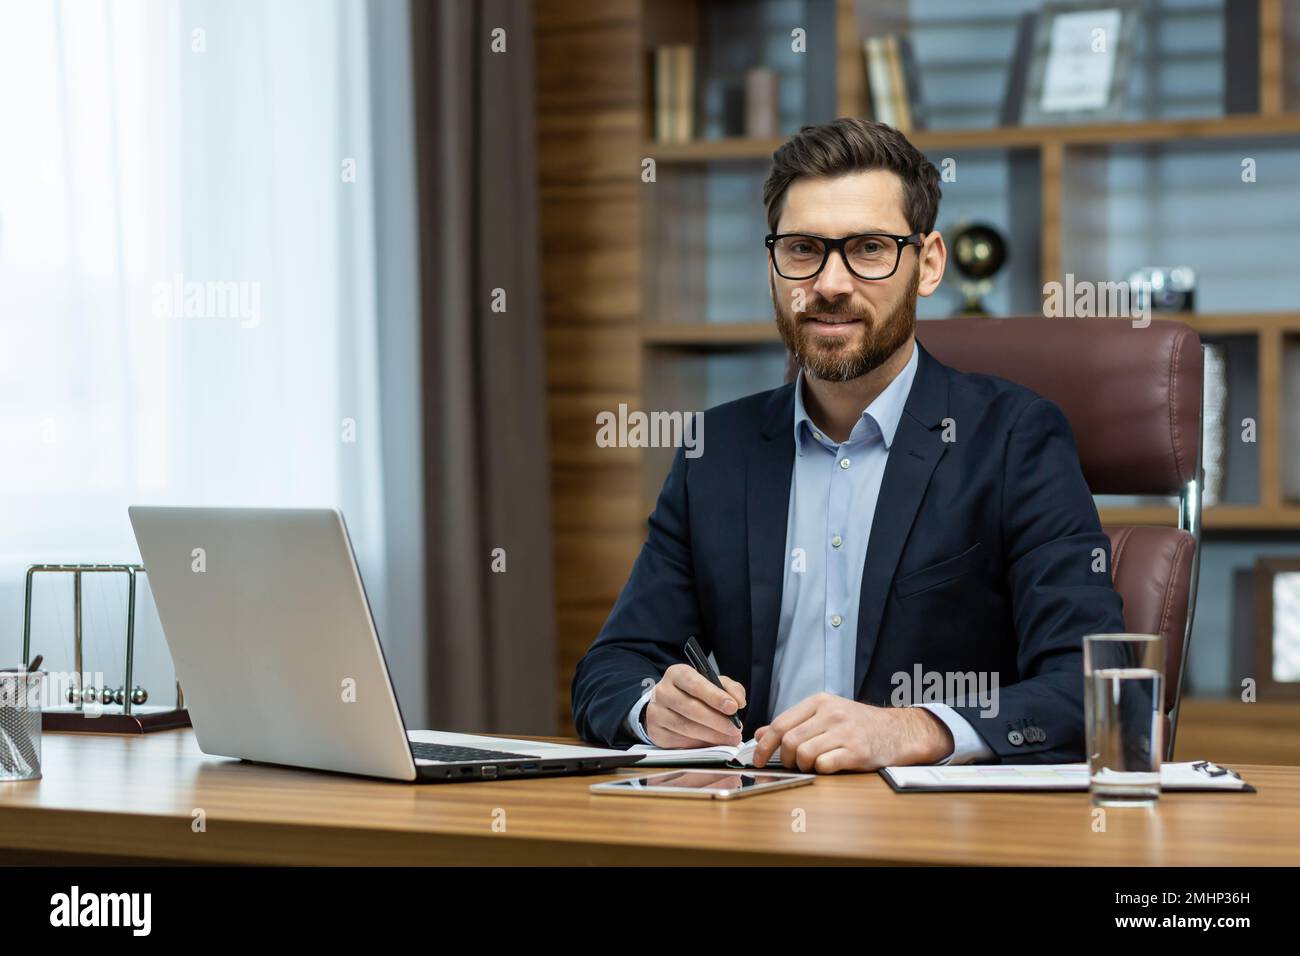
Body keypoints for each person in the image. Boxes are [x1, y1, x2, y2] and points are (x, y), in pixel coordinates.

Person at [571, 117, 1125, 772]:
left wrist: (915, 730)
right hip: (748, 821)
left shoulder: (1015, 439)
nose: (830, 284)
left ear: (929, 264)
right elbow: (610, 668)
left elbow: (1096, 682)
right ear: (773, 264)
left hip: (936, 833)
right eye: (803, 249)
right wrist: (652, 708)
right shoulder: (715, 450)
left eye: (868, 248)